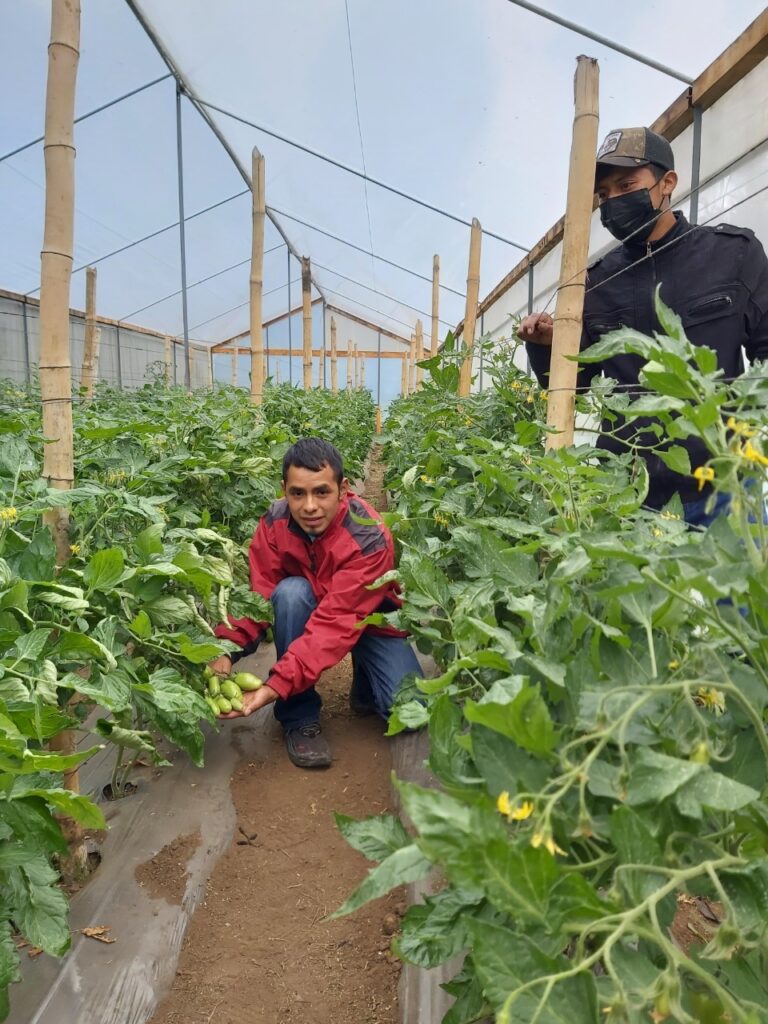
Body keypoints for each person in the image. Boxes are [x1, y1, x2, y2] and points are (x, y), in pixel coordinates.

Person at [518, 126, 768, 525]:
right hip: (628, 492)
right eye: (604, 194)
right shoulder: (595, 281)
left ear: (667, 182)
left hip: (724, 485)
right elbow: (574, 388)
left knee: (734, 588)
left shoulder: (731, 254)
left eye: (627, 184)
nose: (614, 201)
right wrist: (548, 345)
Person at [207, 437, 423, 769]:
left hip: (368, 617)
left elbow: (337, 623)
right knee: (290, 594)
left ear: (344, 488)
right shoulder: (274, 524)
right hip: (312, 608)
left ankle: (365, 684)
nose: (309, 506)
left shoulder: (368, 536)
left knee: (411, 710)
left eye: (321, 492)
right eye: (298, 493)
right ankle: (298, 716)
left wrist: (272, 686)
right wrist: (224, 649)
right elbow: (258, 597)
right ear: (284, 490)